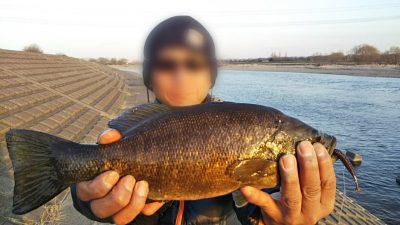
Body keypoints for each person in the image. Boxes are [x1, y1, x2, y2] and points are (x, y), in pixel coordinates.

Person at [71, 16, 336, 225]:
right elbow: (93, 167)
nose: (180, 76)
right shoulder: (131, 130)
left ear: (211, 75)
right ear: (150, 76)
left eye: (194, 64)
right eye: (166, 65)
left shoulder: (247, 130)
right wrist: (85, 197)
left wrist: (276, 218)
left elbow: (260, 203)